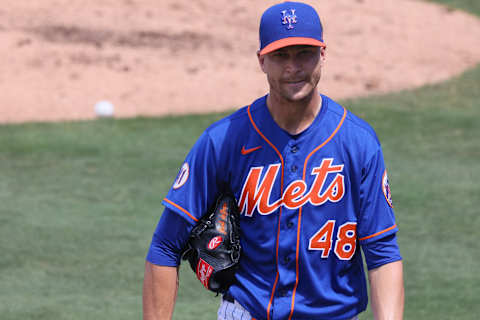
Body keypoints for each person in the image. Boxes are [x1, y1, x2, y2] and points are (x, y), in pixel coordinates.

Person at [143, 1, 404, 320]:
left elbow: (383, 254)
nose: (293, 67)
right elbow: (165, 246)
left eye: (303, 53)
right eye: (281, 55)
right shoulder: (224, 140)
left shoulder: (358, 143)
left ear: (323, 54)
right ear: (262, 60)